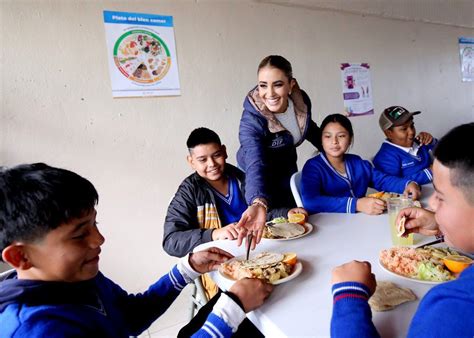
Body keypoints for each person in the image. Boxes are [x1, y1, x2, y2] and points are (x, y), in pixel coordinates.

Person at [0, 163, 273, 337]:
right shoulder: (38, 330)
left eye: (95, 224)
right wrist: (231, 309)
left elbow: (130, 317)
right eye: (80, 234)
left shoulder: (77, 277)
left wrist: (188, 267)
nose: (99, 239)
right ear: (20, 256)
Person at [330, 123, 474, 337]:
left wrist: (348, 296)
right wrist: (441, 226)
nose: (432, 204)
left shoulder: (455, 306)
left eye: (441, 197)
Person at [163, 127, 292, 298]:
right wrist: (214, 234)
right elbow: (171, 241)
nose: (212, 164)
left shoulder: (241, 178)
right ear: (191, 161)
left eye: (216, 155)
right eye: (202, 159)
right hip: (222, 268)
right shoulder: (189, 192)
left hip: (256, 255)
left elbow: (262, 215)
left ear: (224, 151)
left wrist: (288, 212)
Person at [236, 55, 318, 247]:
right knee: (270, 235)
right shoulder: (251, 119)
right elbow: (254, 159)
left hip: (287, 168)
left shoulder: (300, 104)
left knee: (297, 229)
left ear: (291, 85)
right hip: (258, 177)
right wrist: (258, 202)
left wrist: (333, 147)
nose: (269, 93)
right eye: (263, 85)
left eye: (278, 84)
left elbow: (308, 128)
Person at [300, 114, 420, 215]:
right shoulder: (313, 167)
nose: (334, 141)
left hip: (358, 222)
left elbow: (382, 180)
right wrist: (356, 204)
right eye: (328, 136)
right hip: (329, 226)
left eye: (341, 136)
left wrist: (408, 184)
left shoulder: (356, 162)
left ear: (350, 139)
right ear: (321, 139)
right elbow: (311, 201)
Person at [373, 106, 437, 185]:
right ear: (388, 133)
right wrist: (430, 172)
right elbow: (394, 184)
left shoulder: (419, 141)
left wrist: (432, 141)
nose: (411, 132)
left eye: (412, 126)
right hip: (417, 196)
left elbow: (448, 154)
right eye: (404, 129)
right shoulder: (385, 157)